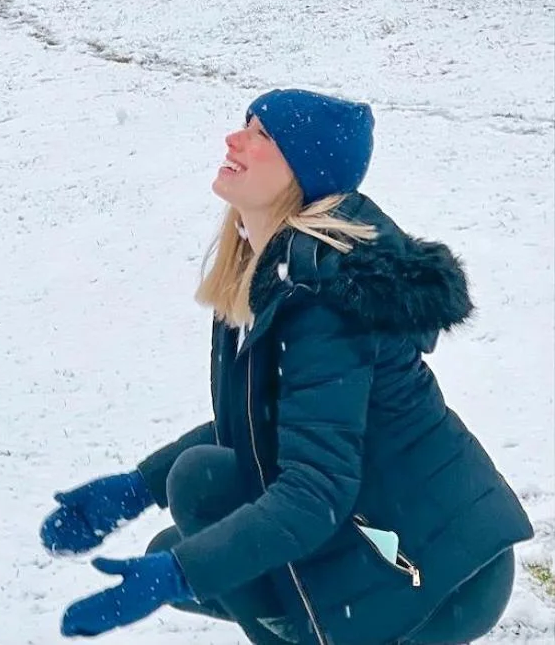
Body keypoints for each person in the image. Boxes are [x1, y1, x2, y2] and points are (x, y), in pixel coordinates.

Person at [41, 88, 532, 645]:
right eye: (244, 124)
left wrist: (181, 575)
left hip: (442, 576)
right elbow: (268, 426)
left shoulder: (326, 296)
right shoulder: (270, 271)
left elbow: (316, 490)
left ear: (304, 169)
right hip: (380, 533)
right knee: (186, 521)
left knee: (199, 503)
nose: (235, 139)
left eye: (263, 135)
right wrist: (134, 488)